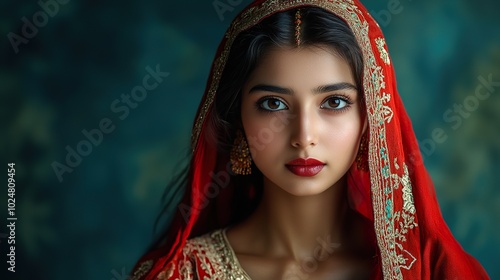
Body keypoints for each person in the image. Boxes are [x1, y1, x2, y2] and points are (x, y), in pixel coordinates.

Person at [130, 0, 489, 279]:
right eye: (273, 104)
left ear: (372, 117)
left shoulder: (430, 270)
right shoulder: (181, 274)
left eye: (334, 102)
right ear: (237, 116)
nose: (304, 137)